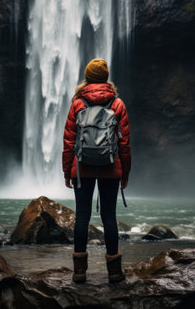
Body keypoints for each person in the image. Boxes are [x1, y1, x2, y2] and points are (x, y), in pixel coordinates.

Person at [62, 58, 131, 283]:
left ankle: (79, 272)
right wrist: (125, 174)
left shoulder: (77, 103)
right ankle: (113, 272)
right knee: (109, 216)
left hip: (81, 168)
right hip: (111, 167)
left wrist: (66, 172)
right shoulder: (117, 104)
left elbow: (69, 142)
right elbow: (124, 144)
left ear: (87, 77)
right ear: (106, 78)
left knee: (82, 216)